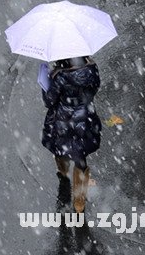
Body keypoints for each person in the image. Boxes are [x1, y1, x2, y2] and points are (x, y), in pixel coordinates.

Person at [41, 55, 102, 213]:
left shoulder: (60, 76)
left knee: (61, 148)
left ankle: (63, 172)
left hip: (64, 121)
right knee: (80, 158)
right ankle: (79, 202)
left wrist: (46, 83)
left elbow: (49, 101)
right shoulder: (92, 69)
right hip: (85, 120)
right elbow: (94, 88)